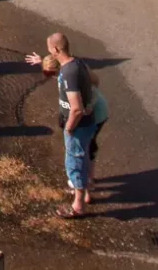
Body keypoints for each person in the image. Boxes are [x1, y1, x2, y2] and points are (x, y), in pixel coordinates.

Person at [42, 32, 109, 217]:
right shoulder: (76, 63)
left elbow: (76, 108)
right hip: (88, 122)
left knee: (74, 162)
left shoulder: (68, 74)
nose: (49, 51)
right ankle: (86, 190)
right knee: (84, 155)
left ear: (56, 49)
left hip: (78, 126)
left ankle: (78, 206)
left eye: (49, 49)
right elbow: (94, 81)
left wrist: (70, 128)